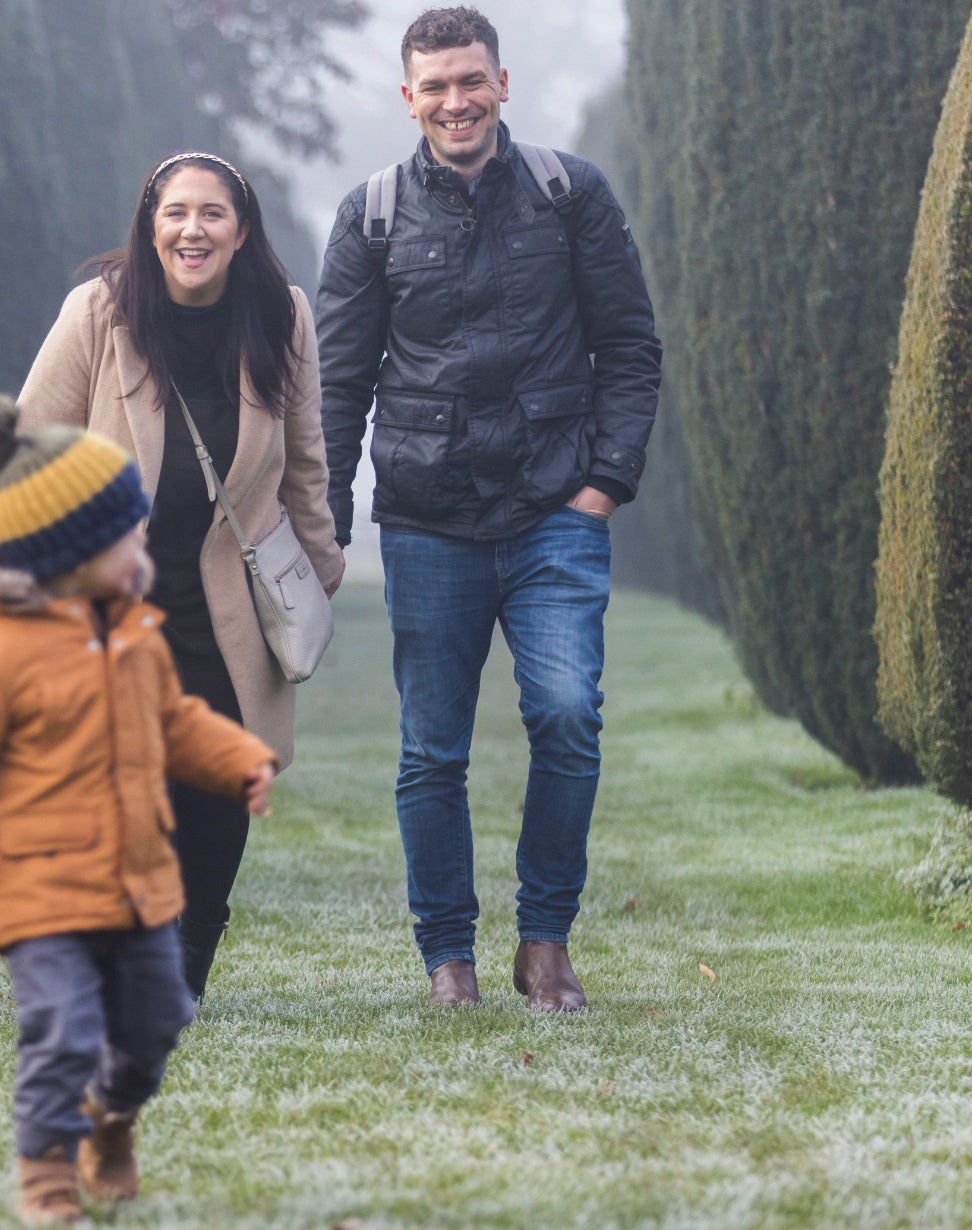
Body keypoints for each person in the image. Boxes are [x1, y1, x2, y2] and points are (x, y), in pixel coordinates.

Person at [0, 392, 278, 1226]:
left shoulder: (131, 630)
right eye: (125, 530)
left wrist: (238, 760)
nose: (139, 541)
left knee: (158, 1019)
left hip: (138, 880)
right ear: (68, 549)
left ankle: (108, 1119)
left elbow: (175, 721)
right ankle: (45, 1173)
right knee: (64, 1031)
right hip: (39, 892)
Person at [315, 6, 662, 1011]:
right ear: (407, 97)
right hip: (426, 521)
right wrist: (329, 521)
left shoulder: (569, 195)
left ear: (499, 85)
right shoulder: (369, 215)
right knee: (431, 748)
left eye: (470, 81)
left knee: (565, 715)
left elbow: (629, 347)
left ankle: (543, 945)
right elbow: (337, 388)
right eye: (434, 86)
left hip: (555, 506)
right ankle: (447, 959)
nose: (454, 101)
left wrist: (603, 482)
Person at [17, 151, 343, 1000]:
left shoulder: (283, 316)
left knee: (217, 792)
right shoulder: (100, 312)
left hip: (226, 597)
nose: (192, 230)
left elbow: (305, 459)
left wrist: (320, 564)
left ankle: (192, 949)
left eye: (212, 214)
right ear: (151, 224)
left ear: (241, 230)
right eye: (176, 213)